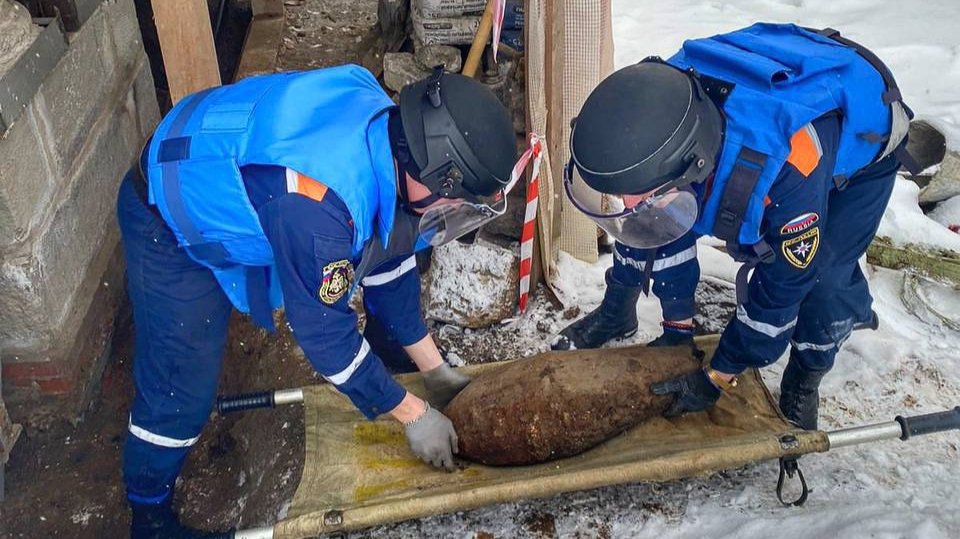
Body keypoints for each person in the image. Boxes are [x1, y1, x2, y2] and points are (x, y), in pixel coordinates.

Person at [117, 64, 518, 538]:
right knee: (181, 388)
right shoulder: (318, 205)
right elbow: (325, 336)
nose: (449, 213)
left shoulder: (392, 137)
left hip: (237, 169)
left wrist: (434, 371)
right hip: (169, 205)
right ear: (433, 173)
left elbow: (388, 259)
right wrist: (413, 414)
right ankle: (148, 511)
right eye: (452, 203)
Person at [553, 24, 919, 430]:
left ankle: (806, 374)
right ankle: (617, 311)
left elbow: (782, 287)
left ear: (690, 167)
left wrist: (720, 373)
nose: (628, 203)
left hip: (861, 124)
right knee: (654, 216)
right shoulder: (659, 114)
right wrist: (678, 329)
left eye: (638, 192)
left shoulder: (786, 169)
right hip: (767, 70)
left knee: (823, 276)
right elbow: (649, 223)